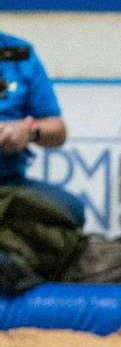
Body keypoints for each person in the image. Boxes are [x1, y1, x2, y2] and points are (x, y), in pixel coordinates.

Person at [0, 24, 84, 225]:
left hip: (9, 183)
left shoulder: (19, 53)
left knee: (70, 209)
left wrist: (29, 132)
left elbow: (58, 129)